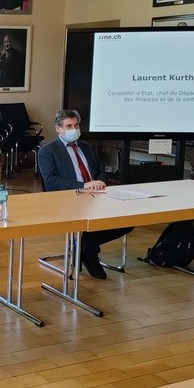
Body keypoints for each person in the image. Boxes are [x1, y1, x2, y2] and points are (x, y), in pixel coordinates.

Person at [37, 110, 133, 279]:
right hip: (67, 199)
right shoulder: (48, 151)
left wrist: (101, 181)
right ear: (58, 129)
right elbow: (51, 180)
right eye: (68, 126)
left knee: (129, 219)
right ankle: (88, 251)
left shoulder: (87, 148)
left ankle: (85, 246)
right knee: (88, 221)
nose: (73, 129)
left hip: (96, 195)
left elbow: (101, 172)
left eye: (76, 125)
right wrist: (83, 186)